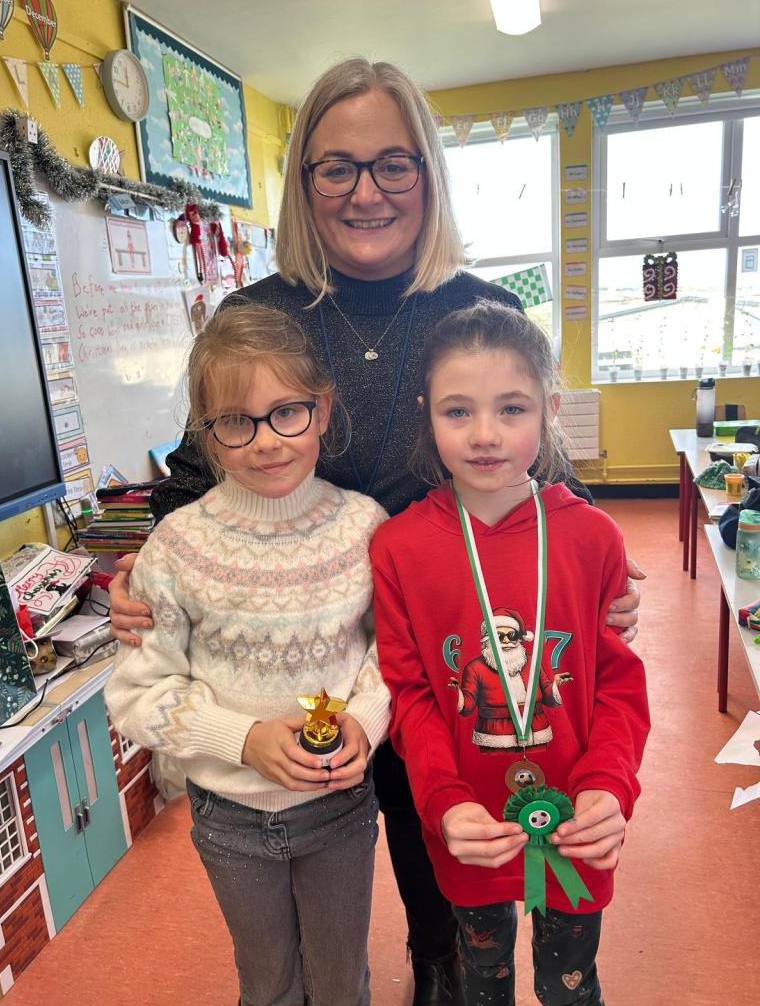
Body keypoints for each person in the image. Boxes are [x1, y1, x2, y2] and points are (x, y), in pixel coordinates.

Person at [108, 57, 644, 1006]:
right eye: (337, 167)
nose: (367, 192)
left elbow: (542, 464)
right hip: (305, 639)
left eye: (394, 164)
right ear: (303, 181)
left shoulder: (476, 309)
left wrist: (599, 570)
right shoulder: (257, 315)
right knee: (342, 837)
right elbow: (194, 471)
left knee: (450, 811)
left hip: (447, 625)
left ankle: (440, 961)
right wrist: (136, 576)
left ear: (428, 175)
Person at [104, 305, 391, 1006]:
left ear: (322, 411)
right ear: (206, 434)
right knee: (266, 986)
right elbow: (137, 693)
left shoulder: (364, 526)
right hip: (229, 816)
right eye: (236, 422)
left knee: (341, 983)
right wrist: (241, 739)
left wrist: (367, 718)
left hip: (339, 809)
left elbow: (390, 651)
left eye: (287, 413)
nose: (266, 442)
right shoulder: (178, 545)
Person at [369, 301, 650, 1006]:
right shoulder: (399, 547)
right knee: (482, 984)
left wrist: (608, 785)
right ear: (427, 415)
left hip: (577, 822)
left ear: (550, 409)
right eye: (458, 412)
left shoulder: (593, 537)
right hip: (469, 829)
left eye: (513, 408)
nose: (485, 435)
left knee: (570, 987)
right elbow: (412, 696)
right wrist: (443, 803)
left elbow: (618, 686)